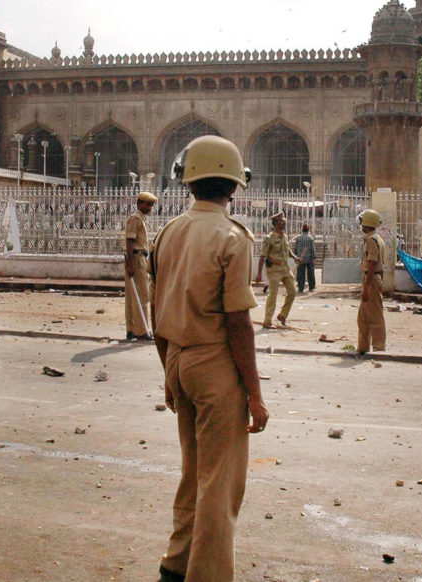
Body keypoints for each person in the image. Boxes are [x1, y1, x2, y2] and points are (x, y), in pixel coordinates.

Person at [150, 135, 269, 582]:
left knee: (193, 472)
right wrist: (254, 395)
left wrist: (169, 371)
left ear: (189, 182)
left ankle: (176, 564)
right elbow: (239, 325)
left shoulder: (168, 233)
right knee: (220, 483)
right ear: (234, 186)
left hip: (179, 361)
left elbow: (154, 309)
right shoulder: (232, 237)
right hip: (216, 368)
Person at [255, 211, 299, 328]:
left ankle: (282, 315)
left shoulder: (284, 236)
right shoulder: (269, 238)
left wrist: (294, 257)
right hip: (274, 269)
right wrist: (259, 274)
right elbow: (263, 256)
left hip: (285, 269)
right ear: (275, 223)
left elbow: (287, 250)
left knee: (293, 291)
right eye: (281, 219)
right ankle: (267, 321)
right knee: (273, 295)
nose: (284, 221)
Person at [124, 191, 157, 340]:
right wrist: (131, 264)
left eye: (151, 205)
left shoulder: (141, 219)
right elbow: (129, 242)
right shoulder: (136, 219)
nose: (150, 207)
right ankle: (141, 331)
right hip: (136, 259)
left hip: (138, 258)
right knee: (142, 295)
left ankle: (132, 330)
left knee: (133, 296)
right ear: (140, 204)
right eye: (147, 204)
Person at [357, 209, 386, 356]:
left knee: (375, 316)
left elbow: (372, 264)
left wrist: (366, 288)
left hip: (371, 278)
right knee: (363, 317)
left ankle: (379, 347)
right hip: (374, 278)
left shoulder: (371, 240)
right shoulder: (377, 238)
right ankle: (362, 347)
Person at [293, 223, 316, 294]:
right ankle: (311, 287)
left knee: (300, 274)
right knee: (311, 274)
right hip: (309, 258)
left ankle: (300, 288)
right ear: (308, 230)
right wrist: (314, 258)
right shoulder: (310, 238)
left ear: (302, 230)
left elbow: (295, 248)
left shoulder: (298, 238)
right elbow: (313, 249)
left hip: (300, 259)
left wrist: (295, 257)